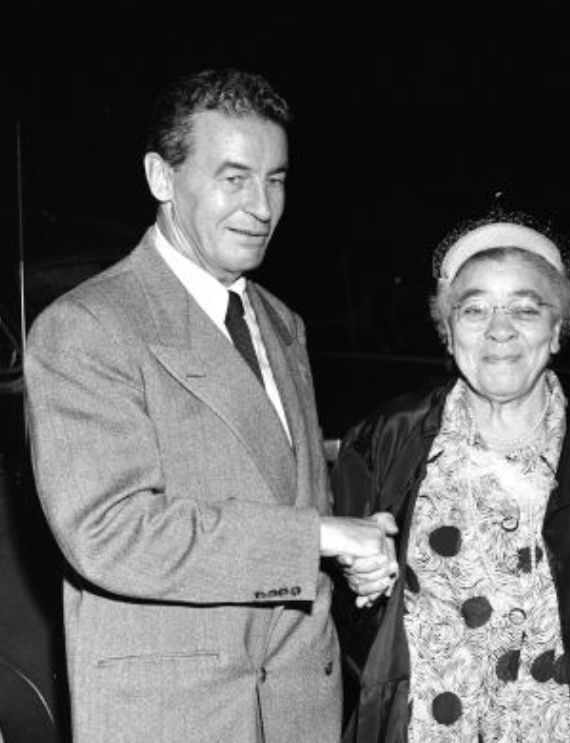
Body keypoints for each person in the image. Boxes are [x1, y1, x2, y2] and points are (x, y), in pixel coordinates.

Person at [23, 69, 398, 742]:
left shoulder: (282, 324)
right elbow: (110, 532)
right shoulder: (87, 327)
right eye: (234, 177)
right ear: (161, 178)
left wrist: (353, 547)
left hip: (297, 713)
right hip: (176, 716)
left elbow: (284, 494)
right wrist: (319, 536)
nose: (262, 206)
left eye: (275, 179)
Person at [330, 215, 570, 742]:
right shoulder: (385, 442)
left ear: (557, 329)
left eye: (525, 308)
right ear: (447, 332)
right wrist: (361, 586)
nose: (499, 329)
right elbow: (338, 626)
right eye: (474, 309)